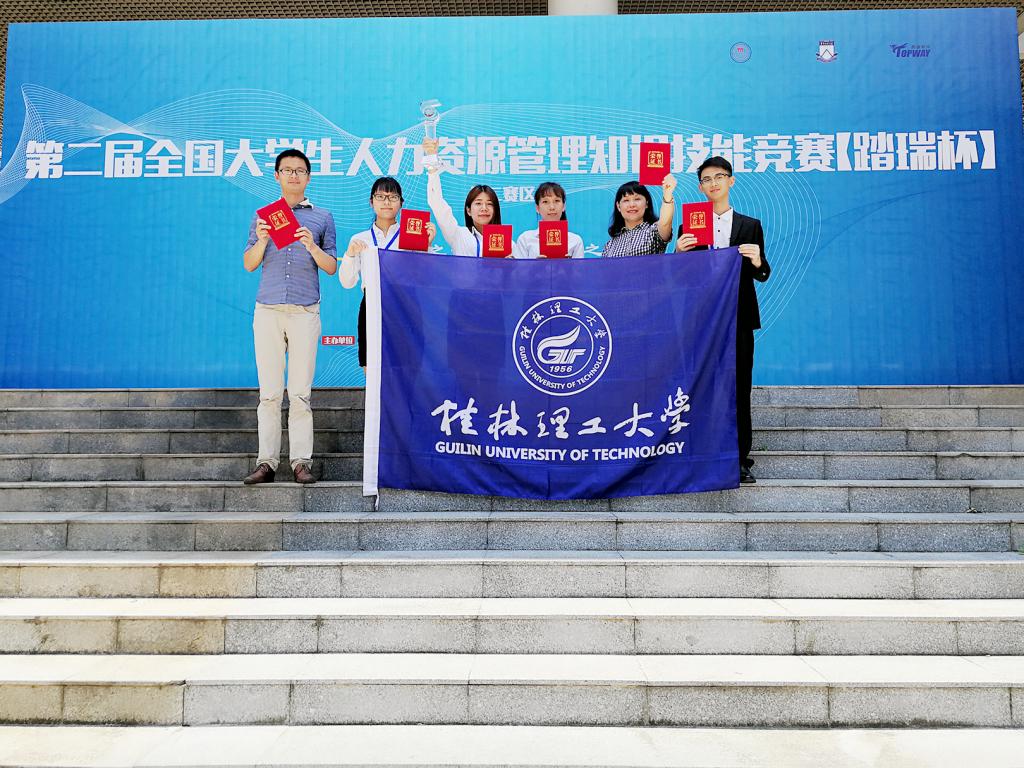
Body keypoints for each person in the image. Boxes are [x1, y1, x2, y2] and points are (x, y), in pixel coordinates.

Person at [241, 149, 337, 485]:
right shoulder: (264, 217)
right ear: (277, 175)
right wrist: (263, 239)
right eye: (287, 170)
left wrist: (312, 246)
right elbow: (249, 263)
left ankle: (301, 462)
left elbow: (331, 266)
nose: (294, 175)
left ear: (308, 177)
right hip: (268, 309)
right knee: (269, 392)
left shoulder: (322, 217)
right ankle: (266, 462)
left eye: (300, 170)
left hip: (305, 310)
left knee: (299, 392)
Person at [676, 155, 770, 484]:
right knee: (702, 386)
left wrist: (757, 260)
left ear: (731, 181)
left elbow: (763, 273)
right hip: (702, 320)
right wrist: (679, 255)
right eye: (706, 179)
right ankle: (702, 453)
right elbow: (682, 278)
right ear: (700, 187)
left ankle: (739, 458)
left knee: (739, 387)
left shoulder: (750, 225)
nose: (713, 183)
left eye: (719, 177)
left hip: (738, 318)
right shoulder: (689, 225)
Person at [338, 176, 436, 373]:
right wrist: (349, 254)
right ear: (371, 201)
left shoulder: (412, 235)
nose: (386, 202)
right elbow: (347, 282)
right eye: (381, 196)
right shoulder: (360, 239)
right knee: (372, 370)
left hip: (406, 305)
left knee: (408, 368)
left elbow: (425, 278)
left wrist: (427, 246)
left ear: (401, 203)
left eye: (393, 197)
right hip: (372, 304)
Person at [422, 138, 502, 256]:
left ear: (495, 210)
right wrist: (431, 164)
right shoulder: (459, 235)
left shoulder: (507, 243)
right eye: (478, 203)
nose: (484, 208)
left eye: (489, 204)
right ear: (468, 210)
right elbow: (437, 203)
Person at [601, 174, 677, 257]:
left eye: (637, 199)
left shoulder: (654, 232)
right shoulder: (610, 245)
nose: (632, 205)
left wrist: (667, 194)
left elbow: (665, 223)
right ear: (618, 206)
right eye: (626, 200)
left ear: (646, 203)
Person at [511, 182, 585, 260]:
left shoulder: (575, 240)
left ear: (563, 206)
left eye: (557, 201)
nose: (552, 207)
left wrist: (569, 265)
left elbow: (580, 268)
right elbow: (519, 268)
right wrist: (535, 264)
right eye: (545, 202)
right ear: (537, 208)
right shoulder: (525, 239)